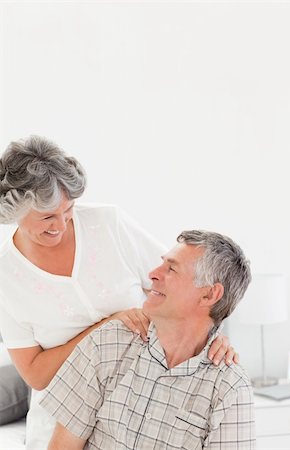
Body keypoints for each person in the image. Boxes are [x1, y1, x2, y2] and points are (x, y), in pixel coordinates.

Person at [0, 136, 237, 450]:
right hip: (60, 425)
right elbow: (35, 374)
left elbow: (181, 287)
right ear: (14, 210)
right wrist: (107, 328)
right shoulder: (7, 275)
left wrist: (213, 335)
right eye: (47, 217)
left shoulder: (108, 223)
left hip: (139, 416)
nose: (61, 224)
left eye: (68, 209)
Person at [41, 229, 255, 450]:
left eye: (171, 269)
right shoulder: (109, 343)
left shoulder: (230, 388)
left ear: (209, 295)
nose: (153, 273)